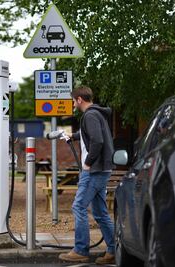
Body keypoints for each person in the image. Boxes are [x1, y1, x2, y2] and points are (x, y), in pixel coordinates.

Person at [59, 86, 115, 264]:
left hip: (94, 170)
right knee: (100, 213)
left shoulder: (90, 115)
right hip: (101, 169)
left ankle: (81, 250)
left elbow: (97, 140)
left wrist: (88, 162)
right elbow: (90, 134)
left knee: (79, 207)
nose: (73, 104)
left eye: (73, 101)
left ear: (79, 100)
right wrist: (73, 136)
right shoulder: (97, 114)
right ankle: (114, 250)